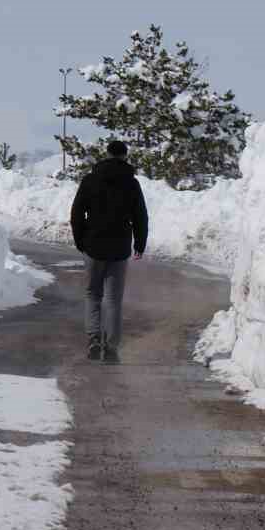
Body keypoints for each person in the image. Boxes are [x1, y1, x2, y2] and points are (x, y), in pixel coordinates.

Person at [69, 139, 149, 363]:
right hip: (120, 248)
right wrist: (139, 244)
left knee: (93, 294)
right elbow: (140, 216)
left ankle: (94, 339)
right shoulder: (132, 184)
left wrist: (80, 241)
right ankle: (111, 348)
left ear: (107, 154)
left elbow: (76, 214)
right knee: (114, 300)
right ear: (125, 156)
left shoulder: (90, 180)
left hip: (93, 246)